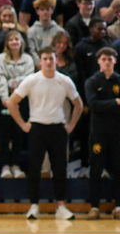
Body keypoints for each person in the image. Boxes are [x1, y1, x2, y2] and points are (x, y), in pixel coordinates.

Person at [7, 47, 82, 220]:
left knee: (60, 168)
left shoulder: (65, 81)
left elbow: (78, 104)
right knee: (34, 168)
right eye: (45, 58)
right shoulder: (31, 80)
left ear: (56, 60)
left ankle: (61, 206)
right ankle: (34, 205)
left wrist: (71, 125)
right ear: (40, 61)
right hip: (37, 128)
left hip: (58, 129)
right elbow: (12, 103)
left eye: (51, 58)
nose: (48, 62)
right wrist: (23, 124)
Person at [85, 46, 120, 219]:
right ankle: (94, 206)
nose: (107, 62)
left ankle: (119, 206)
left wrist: (107, 104)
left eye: (110, 59)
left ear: (115, 61)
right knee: (96, 168)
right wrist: (115, 103)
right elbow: (94, 105)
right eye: (104, 59)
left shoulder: (118, 81)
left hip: (117, 132)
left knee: (118, 168)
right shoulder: (92, 82)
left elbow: (100, 105)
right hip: (98, 132)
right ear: (99, 61)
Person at [0, 30, 33, 179]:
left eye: (17, 39)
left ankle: (15, 165)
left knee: (18, 131)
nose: (14, 42)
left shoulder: (28, 59)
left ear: (21, 42)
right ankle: (5, 165)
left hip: (22, 100)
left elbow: (28, 79)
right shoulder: (1, 58)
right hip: (5, 99)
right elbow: (0, 78)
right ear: (6, 43)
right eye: (11, 40)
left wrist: (15, 90)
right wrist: (6, 97)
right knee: (4, 132)